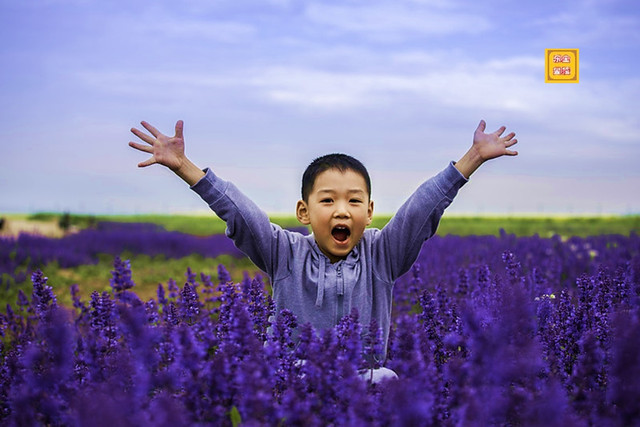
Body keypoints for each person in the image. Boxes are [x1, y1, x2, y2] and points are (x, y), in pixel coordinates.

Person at [129, 119, 518, 381]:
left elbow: (420, 210)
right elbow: (241, 214)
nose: (342, 210)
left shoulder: (382, 256)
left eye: (354, 201)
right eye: (328, 200)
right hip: (294, 378)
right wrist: (186, 168)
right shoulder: (284, 253)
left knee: (388, 381)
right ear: (304, 212)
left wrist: (470, 160)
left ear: (369, 212)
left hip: (361, 380)